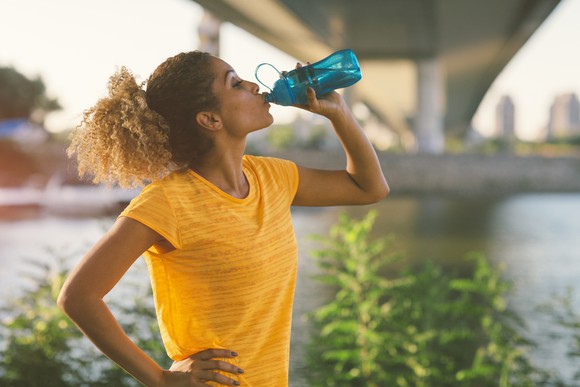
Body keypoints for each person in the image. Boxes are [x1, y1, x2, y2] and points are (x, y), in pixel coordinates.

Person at [58, 50, 389, 387]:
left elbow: (368, 188)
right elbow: (78, 297)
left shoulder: (271, 177)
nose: (252, 85)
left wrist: (339, 113)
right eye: (235, 82)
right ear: (210, 119)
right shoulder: (168, 202)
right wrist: (160, 379)